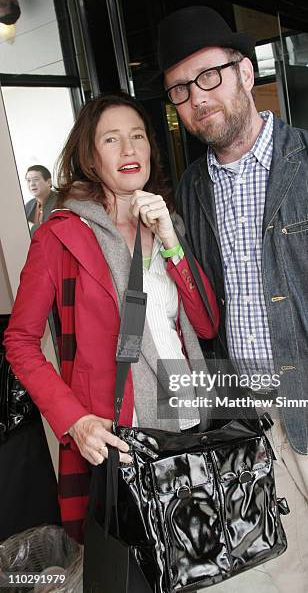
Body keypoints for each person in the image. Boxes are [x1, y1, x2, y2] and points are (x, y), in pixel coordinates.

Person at [157, 6, 308, 592]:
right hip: (246, 415)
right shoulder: (192, 189)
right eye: (179, 89)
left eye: (209, 76)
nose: (197, 98)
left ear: (245, 71)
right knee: (281, 568)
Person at [4, 93, 219, 543]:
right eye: (112, 139)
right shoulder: (59, 236)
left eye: (138, 136)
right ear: (89, 156)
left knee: (189, 560)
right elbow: (20, 342)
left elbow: (205, 325)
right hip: (116, 435)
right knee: (130, 566)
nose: (128, 150)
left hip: (185, 421)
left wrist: (169, 240)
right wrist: (73, 419)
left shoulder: (168, 224)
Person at [24, 165, 57, 234]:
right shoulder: (29, 204)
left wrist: (31, 227)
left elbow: (52, 230)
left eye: (36, 179)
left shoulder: (60, 201)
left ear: (48, 182)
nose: (32, 184)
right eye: (28, 181)